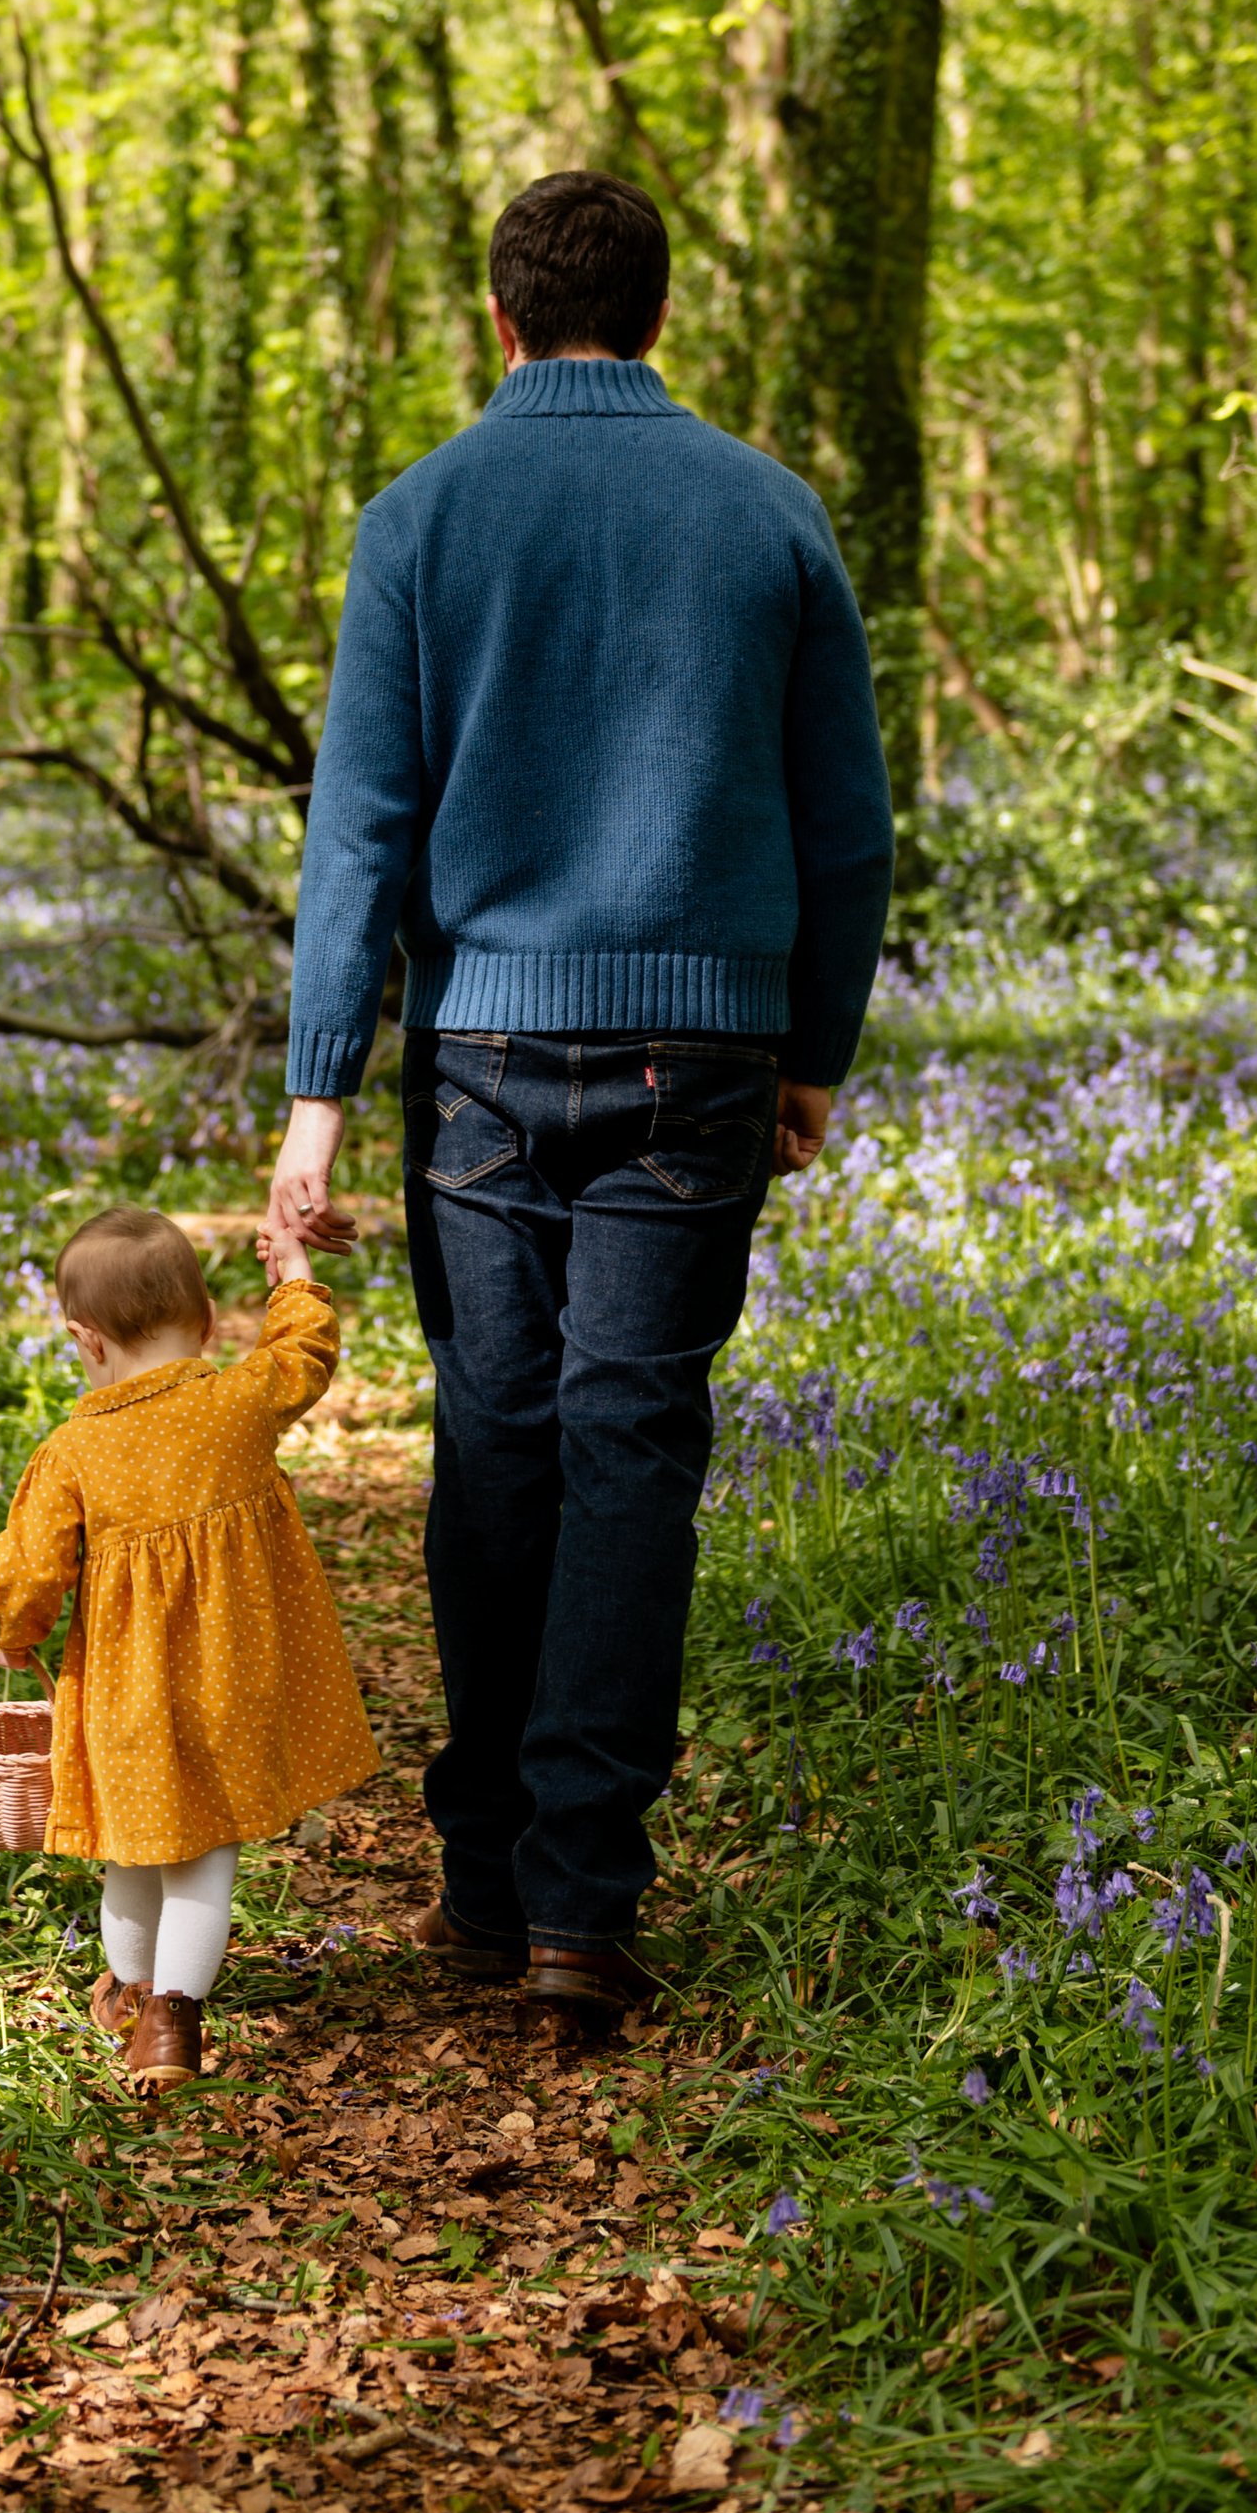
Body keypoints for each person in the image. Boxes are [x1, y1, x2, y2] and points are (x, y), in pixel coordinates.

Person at [266, 171, 894, 2026]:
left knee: (503, 1435)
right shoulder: (768, 513)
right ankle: (579, 1910)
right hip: (695, 1057)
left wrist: (316, 1099)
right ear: (660, 314)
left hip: (479, 1064)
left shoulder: (424, 518)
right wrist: (812, 1055)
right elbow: (846, 831)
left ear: (502, 321)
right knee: (635, 1447)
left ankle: (480, 1870)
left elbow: (360, 833)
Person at [0, 1202, 378, 2088]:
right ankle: (172, 2025)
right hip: (235, 1685)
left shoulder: (74, 1450)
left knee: (134, 1854)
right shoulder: (240, 1400)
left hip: (128, 1700)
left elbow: (32, 1568)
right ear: (206, 1318)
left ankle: (131, 1993)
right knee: (205, 1865)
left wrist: (6, 1634)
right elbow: (307, 1351)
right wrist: (294, 1272)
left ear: (84, 1338)